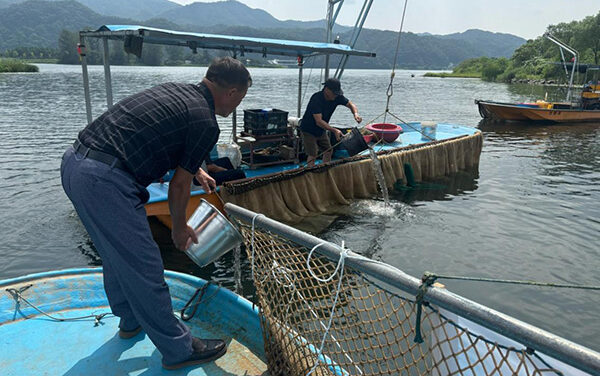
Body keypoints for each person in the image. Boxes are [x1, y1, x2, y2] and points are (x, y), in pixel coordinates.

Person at [60, 56, 251, 370]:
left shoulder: (177, 92)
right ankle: (179, 349)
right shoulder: (207, 121)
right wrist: (179, 228)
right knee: (146, 265)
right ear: (231, 92)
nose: (236, 105)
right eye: (240, 98)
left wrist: (197, 173)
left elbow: (154, 140)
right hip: (105, 181)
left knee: (115, 254)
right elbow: (178, 189)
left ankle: (130, 319)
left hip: (75, 164)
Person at [300, 77, 362, 167]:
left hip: (321, 129)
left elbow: (351, 104)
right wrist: (334, 130)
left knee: (328, 150)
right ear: (326, 89)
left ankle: (325, 169)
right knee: (313, 154)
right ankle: (310, 172)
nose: (335, 96)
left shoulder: (337, 97)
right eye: (334, 93)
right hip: (308, 129)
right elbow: (319, 121)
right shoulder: (316, 99)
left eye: (337, 94)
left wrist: (355, 114)